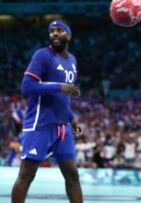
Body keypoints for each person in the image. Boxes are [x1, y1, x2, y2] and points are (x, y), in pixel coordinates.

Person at [11, 20, 84, 203]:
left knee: (73, 176)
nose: (55, 34)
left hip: (62, 127)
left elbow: (62, 98)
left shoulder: (72, 60)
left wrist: (72, 118)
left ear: (69, 35)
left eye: (60, 30)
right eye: (52, 31)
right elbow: (26, 87)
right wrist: (59, 86)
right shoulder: (42, 55)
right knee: (26, 175)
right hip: (39, 125)